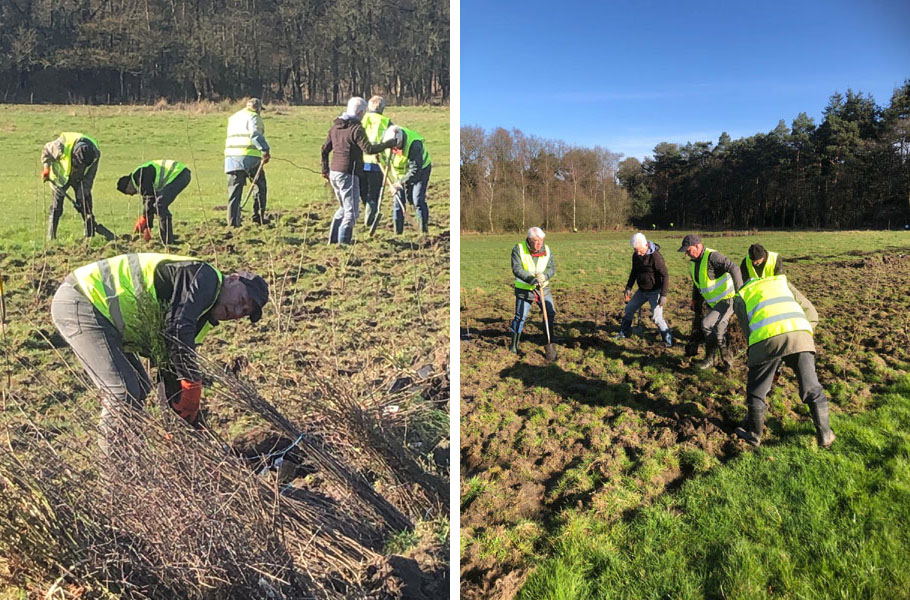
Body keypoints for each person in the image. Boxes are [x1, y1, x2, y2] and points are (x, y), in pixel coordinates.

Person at [50, 253, 269, 455]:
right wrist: (192, 383)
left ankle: (130, 462)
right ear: (233, 279)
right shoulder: (205, 278)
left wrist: (179, 422)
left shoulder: (199, 321)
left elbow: (170, 366)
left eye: (245, 312)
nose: (237, 311)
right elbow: (176, 329)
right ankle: (115, 477)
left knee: (139, 386)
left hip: (101, 314)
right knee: (123, 390)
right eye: (242, 300)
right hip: (83, 299)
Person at [732, 274, 835, 448]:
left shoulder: (741, 295)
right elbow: (811, 312)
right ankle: (825, 435)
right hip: (800, 334)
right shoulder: (782, 282)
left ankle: (754, 436)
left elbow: (748, 331)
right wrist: (802, 333)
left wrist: (758, 357)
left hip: (766, 340)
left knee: (757, 391)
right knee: (811, 387)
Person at [321, 97, 395, 245]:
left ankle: (333, 241)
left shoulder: (335, 127)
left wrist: (325, 170)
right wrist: (388, 144)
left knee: (343, 208)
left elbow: (324, 149)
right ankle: (343, 245)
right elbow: (368, 149)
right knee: (352, 213)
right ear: (361, 112)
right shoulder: (356, 129)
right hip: (348, 173)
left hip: (334, 173)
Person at [678, 234, 743, 370]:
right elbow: (698, 284)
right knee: (712, 327)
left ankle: (720, 360)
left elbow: (734, 268)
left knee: (712, 326)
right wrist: (695, 300)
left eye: (688, 250)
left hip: (728, 299)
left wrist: (740, 293)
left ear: (697, 246)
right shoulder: (695, 263)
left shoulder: (713, 257)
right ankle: (717, 359)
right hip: (716, 303)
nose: (687, 254)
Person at [615, 233, 673, 347]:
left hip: (655, 291)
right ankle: (624, 333)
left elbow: (665, 275)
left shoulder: (656, 257)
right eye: (636, 250)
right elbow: (634, 272)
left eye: (640, 251)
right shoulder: (636, 256)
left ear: (646, 245)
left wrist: (663, 295)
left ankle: (668, 341)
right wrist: (628, 287)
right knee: (629, 309)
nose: (638, 253)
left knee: (657, 318)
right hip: (642, 291)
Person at [41, 132, 102, 239]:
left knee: (85, 204)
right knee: (57, 207)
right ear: (74, 155)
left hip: (79, 178)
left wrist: (81, 197)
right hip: (60, 177)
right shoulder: (60, 146)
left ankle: (89, 236)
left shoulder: (95, 155)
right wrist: (46, 168)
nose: (80, 167)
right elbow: (46, 150)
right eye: (78, 164)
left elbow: (89, 178)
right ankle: (51, 237)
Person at [117, 160, 192, 245]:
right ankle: (168, 240)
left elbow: (149, 198)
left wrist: (145, 220)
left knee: (160, 206)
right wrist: (148, 226)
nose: (131, 195)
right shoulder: (139, 178)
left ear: (128, 186)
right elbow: (149, 201)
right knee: (159, 205)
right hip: (180, 173)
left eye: (128, 192)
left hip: (180, 175)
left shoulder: (140, 176)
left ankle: (168, 242)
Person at [509, 227, 555, 354]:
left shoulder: (547, 250)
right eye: (535, 240)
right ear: (529, 240)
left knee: (550, 313)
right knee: (520, 317)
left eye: (541, 240)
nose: (539, 243)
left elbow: (552, 268)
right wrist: (531, 279)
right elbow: (516, 268)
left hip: (543, 289)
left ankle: (549, 341)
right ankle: (514, 345)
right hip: (524, 290)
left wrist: (545, 276)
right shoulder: (518, 249)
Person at [225, 98, 270, 226]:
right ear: (258, 108)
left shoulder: (234, 117)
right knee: (260, 185)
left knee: (234, 192)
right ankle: (258, 218)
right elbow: (255, 134)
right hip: (249, 158)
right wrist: (265, 150)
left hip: (231, 159)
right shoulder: (254, 117)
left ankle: (232, 222)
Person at [383, 124, 432, 234]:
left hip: (421, 170)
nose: (394, 150)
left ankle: (423, 232)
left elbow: (415, 170)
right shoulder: (386, 138)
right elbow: (381, 152)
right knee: (398, 201)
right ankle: (398, 233)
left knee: (417, 200)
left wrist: (400, 183)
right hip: (399, 174)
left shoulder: (414, 144)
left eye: (396, 147)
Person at [358, 95, 392, 227]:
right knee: (374, 191)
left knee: (363, 189)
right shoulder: (386, 121)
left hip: (361, 161)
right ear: (382, 108)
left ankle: (368, 207)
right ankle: (371, 212)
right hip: (377, 162)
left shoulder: (361, 118)